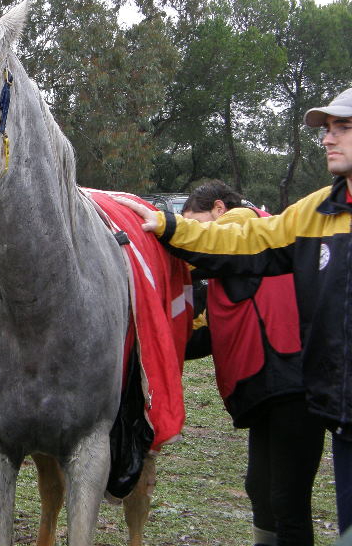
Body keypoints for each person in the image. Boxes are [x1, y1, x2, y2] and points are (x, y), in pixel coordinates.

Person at [115, 86, 352, 536]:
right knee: (268, 493)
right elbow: (240, 249)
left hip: (290, 384)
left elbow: (239, 237)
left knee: (284, 498)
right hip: (334, 405)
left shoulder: (255, 220)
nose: (327, 138)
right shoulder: (316, 214)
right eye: (327, 128)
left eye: (343, 128)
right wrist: (168, 228)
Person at [181, 179, 325, 546]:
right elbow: (211, 335)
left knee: (286, 500)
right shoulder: (239, 255)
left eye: (195, 224)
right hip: (269, 385)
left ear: (218, 209)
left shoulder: (241, 228)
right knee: (261, 489)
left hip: (291, 381)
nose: (197, 239)